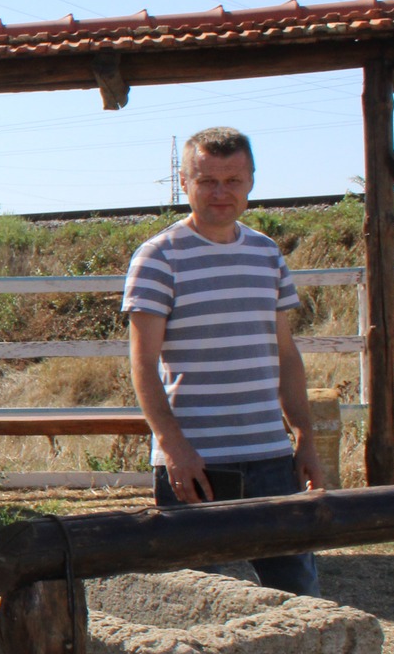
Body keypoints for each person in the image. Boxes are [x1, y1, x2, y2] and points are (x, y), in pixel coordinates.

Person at [124, 127, 325, 594]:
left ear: (251, 180)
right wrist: (173, 447)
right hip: (196, 462)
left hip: (271, 457)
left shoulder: (266, 252)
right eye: (207, 180)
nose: (220, 192)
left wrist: (305, 437)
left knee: (298, 598)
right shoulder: (158, 257)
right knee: (191, 600)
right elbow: (141, 364)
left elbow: (285, 354)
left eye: (232, 180)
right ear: (184, 182)